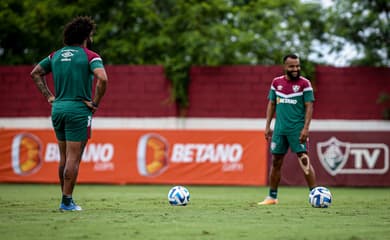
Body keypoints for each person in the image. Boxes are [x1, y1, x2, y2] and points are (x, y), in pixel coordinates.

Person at [31, 16, 108, 211]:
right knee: (74, 158)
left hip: (58, 109)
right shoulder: (90, 56)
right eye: (90, 35)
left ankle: (65, 198)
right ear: (85, 36)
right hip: (78, 110)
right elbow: (103, 79)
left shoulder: (55, 56)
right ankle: (67, 202)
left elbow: (35, 73)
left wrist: (49, 96)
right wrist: (95, 103)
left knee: (64, 157)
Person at [258, 54, 316, 205]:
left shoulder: (305, 84)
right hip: (279, 130)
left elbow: (309, 106)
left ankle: (315, 194)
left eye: (297, 65)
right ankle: (272, 197)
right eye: (292, 66)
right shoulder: (276, 83)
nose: (296, 69)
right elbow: (271, 104)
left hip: (297, 129)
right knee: (276, 161)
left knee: (304, 159)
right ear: (285, 67)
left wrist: (306, 128)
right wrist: (267, 126)